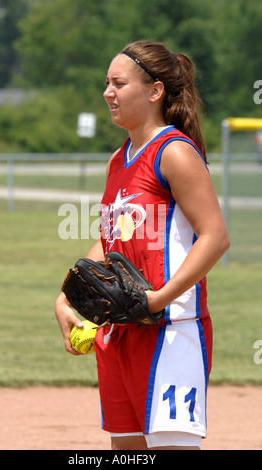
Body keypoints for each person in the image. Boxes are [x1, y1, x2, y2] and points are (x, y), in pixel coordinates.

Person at [55, 40, 230, 450]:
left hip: (170, 330)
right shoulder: (119, 160)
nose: (107, 93)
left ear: (154, 91)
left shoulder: (174, 152)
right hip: (120, 332)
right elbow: (111, 238)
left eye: (118, 83)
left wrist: (158, 299)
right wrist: (67, 296)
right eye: (106, 83)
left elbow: (215, 237)